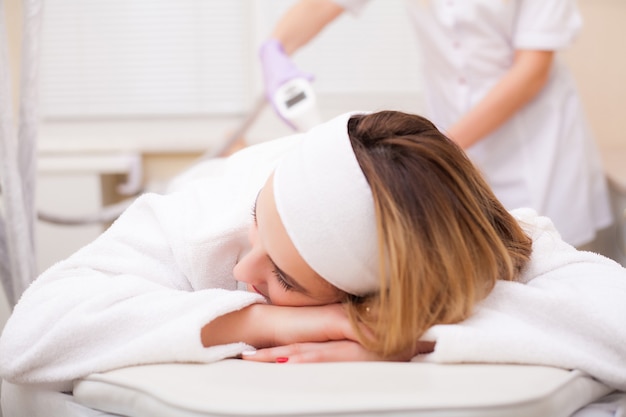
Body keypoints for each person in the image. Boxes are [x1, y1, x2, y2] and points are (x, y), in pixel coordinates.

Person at [0, 111, 625, 401]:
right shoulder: (207, 218)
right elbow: (27, 336)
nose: (244, 272)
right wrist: (282, 316)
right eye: (258, 233)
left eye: (284, 278)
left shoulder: (498, 239)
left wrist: (401, 332)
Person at [259, 0, 613, 249]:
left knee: (542, 258)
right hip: (452, 138)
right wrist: (275, 47)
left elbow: (531, 72)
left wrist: (432, 147)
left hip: (536, 149)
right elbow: (320, 5)